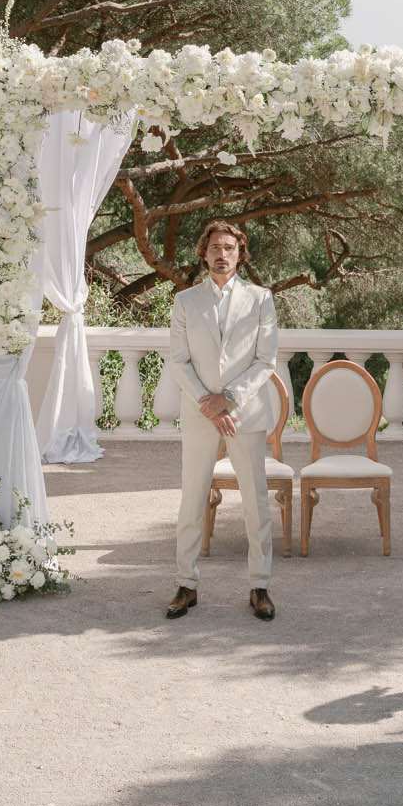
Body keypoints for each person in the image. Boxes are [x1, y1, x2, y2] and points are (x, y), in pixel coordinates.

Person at [164, 219, 280, 622]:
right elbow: (177, 360)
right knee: (191, 499)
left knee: (255, 501)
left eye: (229, 247)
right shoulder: (185, 301)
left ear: (240, 253)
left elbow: (266, 360)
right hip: (199, 416)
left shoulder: (261, 298)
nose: (222, 254)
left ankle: (260, 585)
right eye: (215, 247)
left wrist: (229, 400)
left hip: (244, 414)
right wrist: (207, 403)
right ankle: (185, 584)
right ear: (204, 252)